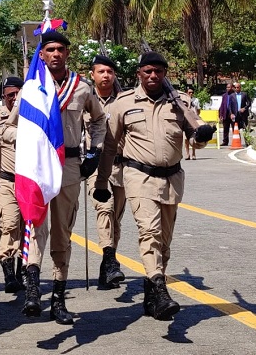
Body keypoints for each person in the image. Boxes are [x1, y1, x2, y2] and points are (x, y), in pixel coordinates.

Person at [92, 51, 212, 321]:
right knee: (150, 231)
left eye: (158, 71)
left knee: (164, 242)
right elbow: (110, 147)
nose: (153, 76)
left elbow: (195, 136)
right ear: (139, 74)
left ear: (165, 73)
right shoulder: (123, 103)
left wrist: (203, 137)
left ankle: (151, 293)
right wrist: (101, 183)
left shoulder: (180, 103)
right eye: (148, 71)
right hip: (137, 176)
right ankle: (160, 288)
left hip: (172, 178)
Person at [9, 32, 106, 324]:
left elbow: (100, 120)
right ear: (41, 55)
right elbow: (8, 128)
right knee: (35, 224)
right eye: (49, 49)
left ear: (67, 53)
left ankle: (59, 297)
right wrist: (26, 142)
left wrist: (96, 152)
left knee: (63, 232)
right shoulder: (31, 89)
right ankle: (32, 289)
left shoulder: (82, 88)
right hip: (38, 166)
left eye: (60, 49)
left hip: (70, 166)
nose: (55, 54)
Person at [86, 55, 126, 290]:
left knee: (116, 219)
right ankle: (110, 260)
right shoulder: (84, 98)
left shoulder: (124, 101)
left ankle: (107, 264)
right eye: (101, 71)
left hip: (121, 166)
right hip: (96, 164)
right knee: (105, 208)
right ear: (93, 74)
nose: (106, 75)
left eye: (110, 71)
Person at [0, 76, 25, 293]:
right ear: (3, 96)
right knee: (9, 225)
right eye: (9, 95)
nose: (13, 98)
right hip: (6, 181)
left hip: (30, 184)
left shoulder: (33, 116)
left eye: (17, 94)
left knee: (27, 229)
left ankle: (23, 271)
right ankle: (9, 274)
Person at [184, 87, 201, 160]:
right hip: (186, 121)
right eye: (189, 92)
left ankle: (193, 153)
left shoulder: (196, 100)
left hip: (193, 121)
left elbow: (198, 110)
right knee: (186, 139)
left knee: (194, 137)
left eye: (192, 92)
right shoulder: (184, 100)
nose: (191, 94)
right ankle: (187, 154)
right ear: (186, 93)